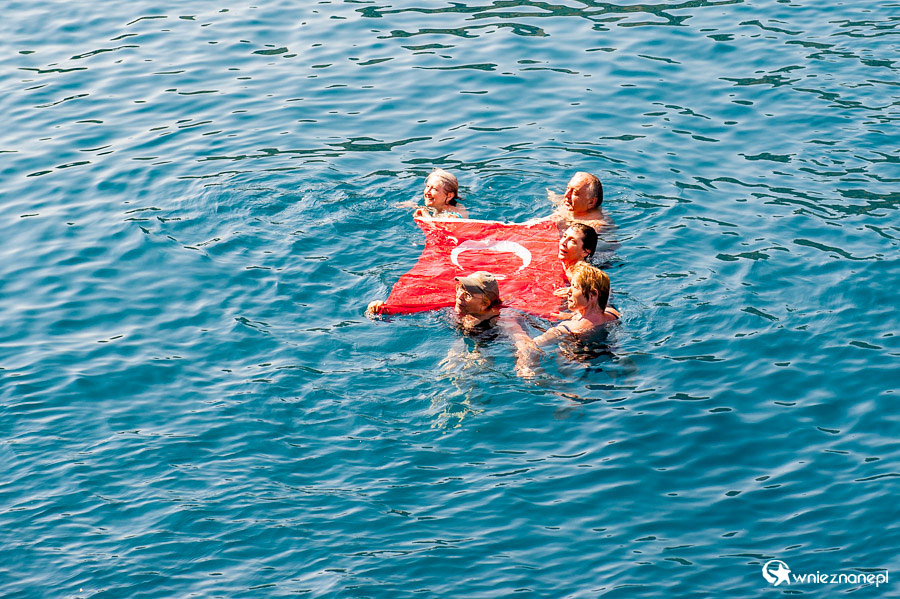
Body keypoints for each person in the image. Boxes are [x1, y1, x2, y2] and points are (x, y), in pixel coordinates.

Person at [506, 262, 619, 378]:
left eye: (574, 287)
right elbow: (592, 313)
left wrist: (514, 326)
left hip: (573, 369)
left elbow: (531, 347)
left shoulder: (567, 328)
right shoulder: (613, 314)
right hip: (606, 362)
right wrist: (570, 314)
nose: (569, 291)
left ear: (593, 294)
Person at [366, 271, 502, 334]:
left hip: (486, 341)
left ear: (484, 304)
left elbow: (520, 340)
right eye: (460, 288)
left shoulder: (496, 319)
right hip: (461, 335)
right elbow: (412, 308)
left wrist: (522, 363)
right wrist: (382, 308)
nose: (459, 296)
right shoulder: (453, 308)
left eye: (467, 295)